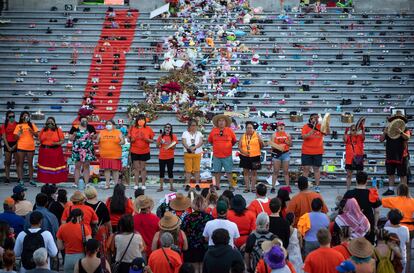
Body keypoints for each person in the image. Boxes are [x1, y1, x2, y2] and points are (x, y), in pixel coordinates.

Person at [343, 171, 381, 244]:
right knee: (368, 246)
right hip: (368, 223)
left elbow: (344, 209)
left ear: (356, 180)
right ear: (366, 181)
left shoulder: (349, 193)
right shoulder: (371, 193)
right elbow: (377, 211)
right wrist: (375, 225)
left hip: (352, 222)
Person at [181, 194, 213, 273]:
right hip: (204, 245)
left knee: (194, 269)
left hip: (191, 246)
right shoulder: (209, 217)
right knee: (202, 268)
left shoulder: (187, 217)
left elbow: (182, 230)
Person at [380, 113, 410, 195]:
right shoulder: (388, 128)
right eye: (395, 118)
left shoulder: (405, 128)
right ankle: (391, 189)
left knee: (402, 174)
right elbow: (381, 140)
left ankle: (403, 192)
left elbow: (407, 137)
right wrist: (384, 133)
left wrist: (400, 132)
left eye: (398, 118)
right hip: (390, 154)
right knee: (390, 173)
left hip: (402, 155)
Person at [301, 113, 330, 192]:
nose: (316, 119)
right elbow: (303, 137)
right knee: (306, 169)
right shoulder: (306, 126)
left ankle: (317, 186)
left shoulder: (321, 126)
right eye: (314, 118)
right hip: (306, 151)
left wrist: (327, 124)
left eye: (317, 118)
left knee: (316, 169)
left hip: (318, 151)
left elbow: (327, 133)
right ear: (310, 119)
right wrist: (311, 131)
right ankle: (304, 187)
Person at [57, 209, 92, 273]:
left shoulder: (62, 227)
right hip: (81, 257)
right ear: (79, 217)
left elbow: (60, 247)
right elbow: (90, 244)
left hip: (68, 258)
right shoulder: (84, 228)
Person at [208, 114, 237, 190]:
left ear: (225, 122)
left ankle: (231, 186)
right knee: (217, 171)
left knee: (229, 171)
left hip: (227, 155)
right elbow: (210, 141)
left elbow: (234, 141)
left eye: (223, 121)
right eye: (219, 121)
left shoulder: (230, 130)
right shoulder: (213, 131)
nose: (221, 122)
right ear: (217, 122)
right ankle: (217, 185)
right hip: (217, 155)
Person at [37, 117, 68, 184]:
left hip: (55, 151)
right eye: (48, 122)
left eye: (52, 122)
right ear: (46, 123)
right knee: (45, 167)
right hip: (44, 151)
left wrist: (55, 143)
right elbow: (39, 139)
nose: (50, 123)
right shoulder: (43, 130)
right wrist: (39, 142)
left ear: (54, 123)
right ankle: (46, 182)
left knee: (54, 167)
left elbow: (62, 141)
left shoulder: (58, 130)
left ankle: (54, 182)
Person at [128, 114, 154, 190]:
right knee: (136, 168)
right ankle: (136, 184)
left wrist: (146, 139)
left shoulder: (148, 129)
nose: (141, 121)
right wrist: (132, 140)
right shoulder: (132, 128)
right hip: (134, 150)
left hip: (144, 151)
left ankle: (143, 184)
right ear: (137, 121)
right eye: (139, 119)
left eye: (143, 119)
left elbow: (152, 140)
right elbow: (129, 139)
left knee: (142, 168)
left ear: (145, 121)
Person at [69, 116, 97, 187]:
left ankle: (87, 183)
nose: (84, 121)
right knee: (77, 166)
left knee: (86, 166)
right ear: (80, 121)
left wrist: (92, 136)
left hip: (87, 149)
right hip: (77, 149)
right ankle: (75, 183)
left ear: (87, 121)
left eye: (85, 120)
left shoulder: (90, 127)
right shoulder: (75, 127)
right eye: (82, 120)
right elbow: (70, 139)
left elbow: (95, 137)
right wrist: (74, 135)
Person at [97, 120, 125, 189]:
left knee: (115, 170)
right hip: (105, 154)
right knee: (106, 170)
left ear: (113, 125)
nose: (108, 125)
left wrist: (121, 142)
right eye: (107, 124)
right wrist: (97, 139)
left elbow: (123, 141)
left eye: (110, 124)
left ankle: (116, 185)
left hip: (115, 154)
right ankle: (107, 184)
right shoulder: (102, 132)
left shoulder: (118, 132)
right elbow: (97, 140)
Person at [13, 111, 39, 186]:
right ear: (21, 117)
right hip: (21, 146)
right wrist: (19, 133)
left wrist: (32, 131)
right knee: (20, 164)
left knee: (30, 164)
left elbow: (37, 135)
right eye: (24, 116)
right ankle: (21, 180)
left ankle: (31, 179)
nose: (26, 117)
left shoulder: (32, 125)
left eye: (27, 116)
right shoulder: (18, 126)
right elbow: (15, 138)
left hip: (30, 147)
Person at [238, 121, 264, 193]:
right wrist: (244, 152)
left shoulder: (257, 135)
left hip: (255, 156)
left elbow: (262, 146)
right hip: (244, 157)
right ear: (245, 129)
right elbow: (239, 147)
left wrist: (261, 141)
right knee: (245, 173)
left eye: (251, 128)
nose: (249, 129)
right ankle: (247, 187)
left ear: (253, 129)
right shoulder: (242, 136)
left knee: (254, 173)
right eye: (248, 128)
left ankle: (253, 188)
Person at [269, 121, 292, 193]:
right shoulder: (274, 135)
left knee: (286, 171)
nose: (281, 127)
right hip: (277, 154)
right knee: (276, 171)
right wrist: (279, 147)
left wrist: (286, 142)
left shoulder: (287, 134)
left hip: (285, 153)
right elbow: (272, 146)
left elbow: (291, 144)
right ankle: (273, 187)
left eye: (282, 125)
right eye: (279, 126)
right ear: (277, 127)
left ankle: (288, 187)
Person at [182, 119, 204, 191]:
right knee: (188, 170)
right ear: (189, 126)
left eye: (195, 125)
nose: (194, 127)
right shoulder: (185, 133)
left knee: (197, 169)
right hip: (188, 153)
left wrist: (194, 147)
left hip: (197, 153)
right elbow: (184, 142)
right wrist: (189, 148)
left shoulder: (199, 133)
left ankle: (197, 184)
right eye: (192, 125)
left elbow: (201, 142)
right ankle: (188, 184)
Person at [156, 123, 178, 192]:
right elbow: (157, 146)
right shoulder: (161, 136)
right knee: (161, 172)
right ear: (164, 128)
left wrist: (168, 144)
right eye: (166, 127)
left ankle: (171, 187)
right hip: (162, 157)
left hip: (170, 157)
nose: (167, 128)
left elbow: (174, 147)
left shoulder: (173, 136)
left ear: (171, 129)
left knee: (170, 172)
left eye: (169, 127)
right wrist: (160, 142)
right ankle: (161, 187)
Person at [343, 124, 365, 190]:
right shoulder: (348, 137)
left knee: (359, 175)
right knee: (349, 175)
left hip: (358, 158)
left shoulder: (360, 136)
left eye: (356, 130)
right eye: (353, 130)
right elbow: (344, 139)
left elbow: (364, 137)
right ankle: (348, 190)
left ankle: (358, 189)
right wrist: (346, 132)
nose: (354, 131)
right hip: (349, 159)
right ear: (350, 130)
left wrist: (362, 130)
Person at [2, 111, 17, 184]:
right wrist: (8, 147)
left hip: (16, 144)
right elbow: (4, 137)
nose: (12, 118)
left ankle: (19, 178)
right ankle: (7, 178)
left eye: (13, 116)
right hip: (7, 144)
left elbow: (19, 137)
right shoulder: (4, 125)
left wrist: (15, 145)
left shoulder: (17, 124)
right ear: (7, 117)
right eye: (10, 117)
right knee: (8, 162)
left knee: (18, 162)